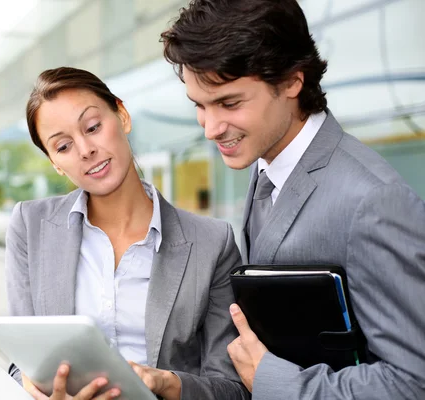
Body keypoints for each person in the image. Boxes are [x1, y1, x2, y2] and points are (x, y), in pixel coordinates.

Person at [161, 0, 425, 398]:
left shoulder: (374, 202)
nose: (211, 128)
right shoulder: (264, 163)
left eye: (229, 103)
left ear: (290, 82)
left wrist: (271, 379)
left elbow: (413, 380)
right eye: (199, 105)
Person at [5, 67, 249, 400]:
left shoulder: (212, 243)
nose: (85, 150)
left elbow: (233, 389)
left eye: (93, 127)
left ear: (122, 115)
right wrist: (39, 388)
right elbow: (22, 361)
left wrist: (166, 382)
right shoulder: (29, 227)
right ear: (55, 163)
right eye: (63, 147)